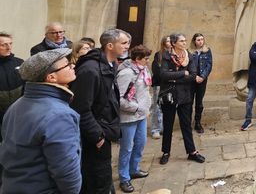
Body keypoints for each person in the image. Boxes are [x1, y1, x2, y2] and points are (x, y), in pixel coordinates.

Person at [0, 48, 81, 193]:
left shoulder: (16, 105)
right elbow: (65, 169)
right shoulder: (59, 115)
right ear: (51, 77)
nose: (73, 66)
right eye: (67, 65)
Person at [70, 28, 129, 193]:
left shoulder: (111, 64)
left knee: (103, 177)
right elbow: (80, 108)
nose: (127, 47)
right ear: (110, 45)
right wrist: (97, 136)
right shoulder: (90, 70)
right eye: (123, 43)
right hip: (94, 135)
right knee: (95, 180)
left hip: (105, 129)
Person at [158, 33, 205, 165]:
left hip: (185, 95)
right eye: (182, 41)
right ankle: (166, 152)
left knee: (186, 124)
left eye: (185, 40)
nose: (185, 43)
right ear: (174, 43)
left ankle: (192, 152)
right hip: (170, 96)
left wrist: (174, 78)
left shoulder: (188, 56)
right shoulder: (166, 56)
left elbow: (193, 75)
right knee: (168, 125)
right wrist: (182, 73)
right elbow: (163, 74)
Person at [116, 45, 152, 193]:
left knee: (140, 143)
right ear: (137, 59)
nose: (148, 61)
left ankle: (134, 169)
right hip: (128, 116)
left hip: (142, 115)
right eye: (146, 58)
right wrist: (136, 108)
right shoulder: (126, 73)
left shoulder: (144, 70)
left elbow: (145, 91)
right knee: (127, 147)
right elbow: (119, 99)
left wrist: (145, 107)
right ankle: (124, 178)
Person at [0, 32, 24, 142]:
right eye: (4, 45)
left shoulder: (19, 63)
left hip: (18, 113)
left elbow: (26, 85)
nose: (8, 47)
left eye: (10, 44)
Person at [190, 33, 213, 133]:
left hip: (202, 80)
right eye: (198, 40)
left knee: (199, 102)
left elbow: (209, 65)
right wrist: (194, 76)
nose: (200, 41)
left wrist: (203, 77)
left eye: (202, 39)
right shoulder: (189, 51)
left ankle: (197, 122)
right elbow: (188, 65)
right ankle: (187, 122)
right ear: (194, 41)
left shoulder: (207, 51)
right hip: (191, 80)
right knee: (189, 101)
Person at [150, 35, 170, 139]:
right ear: (164, 43)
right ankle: (155, 129)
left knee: (167, 106)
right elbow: (157, 70)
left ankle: (164, 127)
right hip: (159, 84)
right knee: (156, 107)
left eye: (171, 41)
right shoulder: (159, 55)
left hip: (170, 85)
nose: (170, 42)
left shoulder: (175, 55)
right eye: (167, 41)